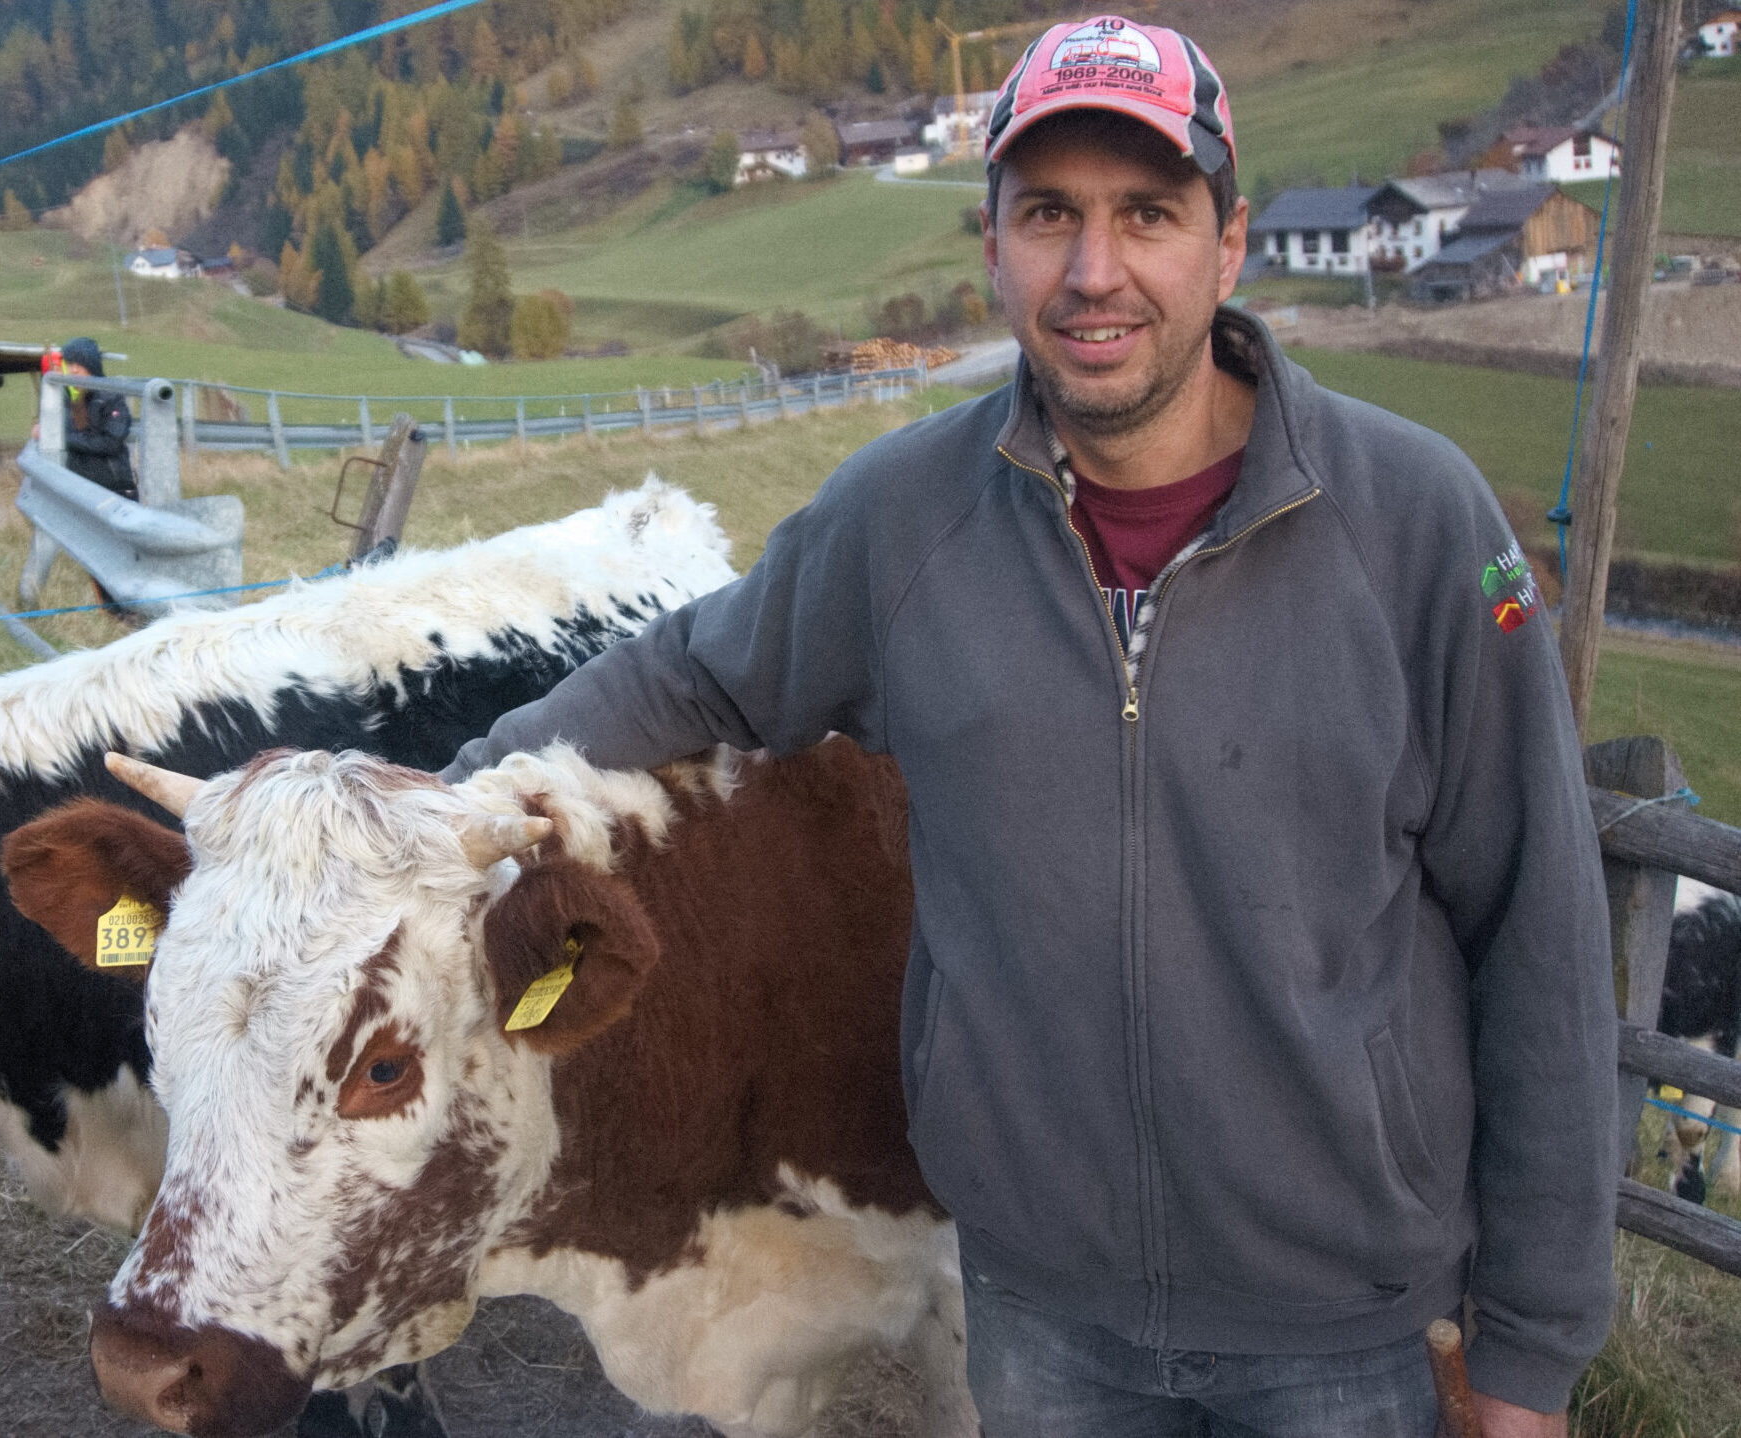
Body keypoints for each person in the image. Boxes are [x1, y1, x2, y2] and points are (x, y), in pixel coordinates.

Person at [444, 15, 1615, 1438]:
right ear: (989, 244)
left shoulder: (1420, 525)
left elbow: (1536, 932)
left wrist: (1531, 1354)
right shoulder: (903, 519)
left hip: (1346, 1332)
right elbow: (691, 675)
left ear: (1228, 245)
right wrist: (438, 804)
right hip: (1043, 1317)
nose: (1093, 270)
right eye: (1047, 213)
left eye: (1146, 214)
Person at [58, 336, 135, 497]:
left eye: (80, 364)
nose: (74, 370)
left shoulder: (111, 398)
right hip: (79, 489)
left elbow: (110, 443)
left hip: (115, 489)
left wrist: (63, 438)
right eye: (70, 364)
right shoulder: (66, 398)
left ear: (92, 366)